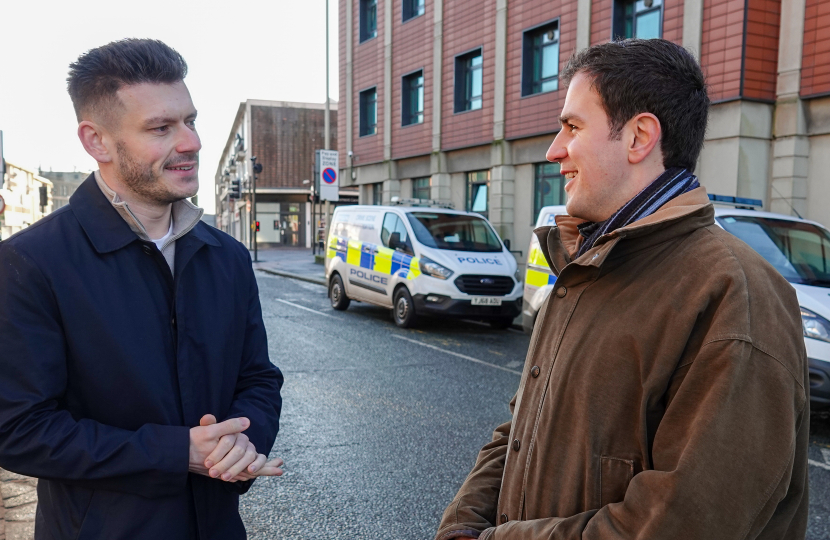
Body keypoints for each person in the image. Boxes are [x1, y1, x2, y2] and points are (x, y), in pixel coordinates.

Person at [435, 39, 808, 540]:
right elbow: (520, 433)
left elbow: (682, 523)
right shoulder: (585, 270)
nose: (553, 150)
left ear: (638, 137)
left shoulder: (734, 294)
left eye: (572, 126)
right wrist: (462, 525)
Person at [0, 39, 284, 539]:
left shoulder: (228, 257)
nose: (192, 142)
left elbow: (258, 378)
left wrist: (244, 439)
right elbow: (19, 429)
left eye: (190, 120)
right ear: (98, 142)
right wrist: (178, 454)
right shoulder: (30, 263)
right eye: (161, 128)